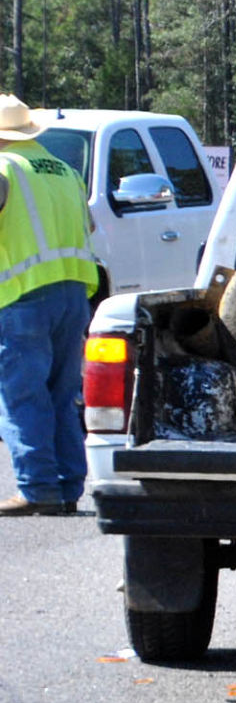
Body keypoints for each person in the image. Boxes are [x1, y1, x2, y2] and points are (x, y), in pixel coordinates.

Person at [0, 94, 100, 517]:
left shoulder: (4, 169)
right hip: (73, 294)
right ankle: (67, 486)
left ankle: (37, 488)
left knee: (23, 396)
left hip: (22, 295)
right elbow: (89, 225)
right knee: (62, 395)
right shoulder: (63, 169)